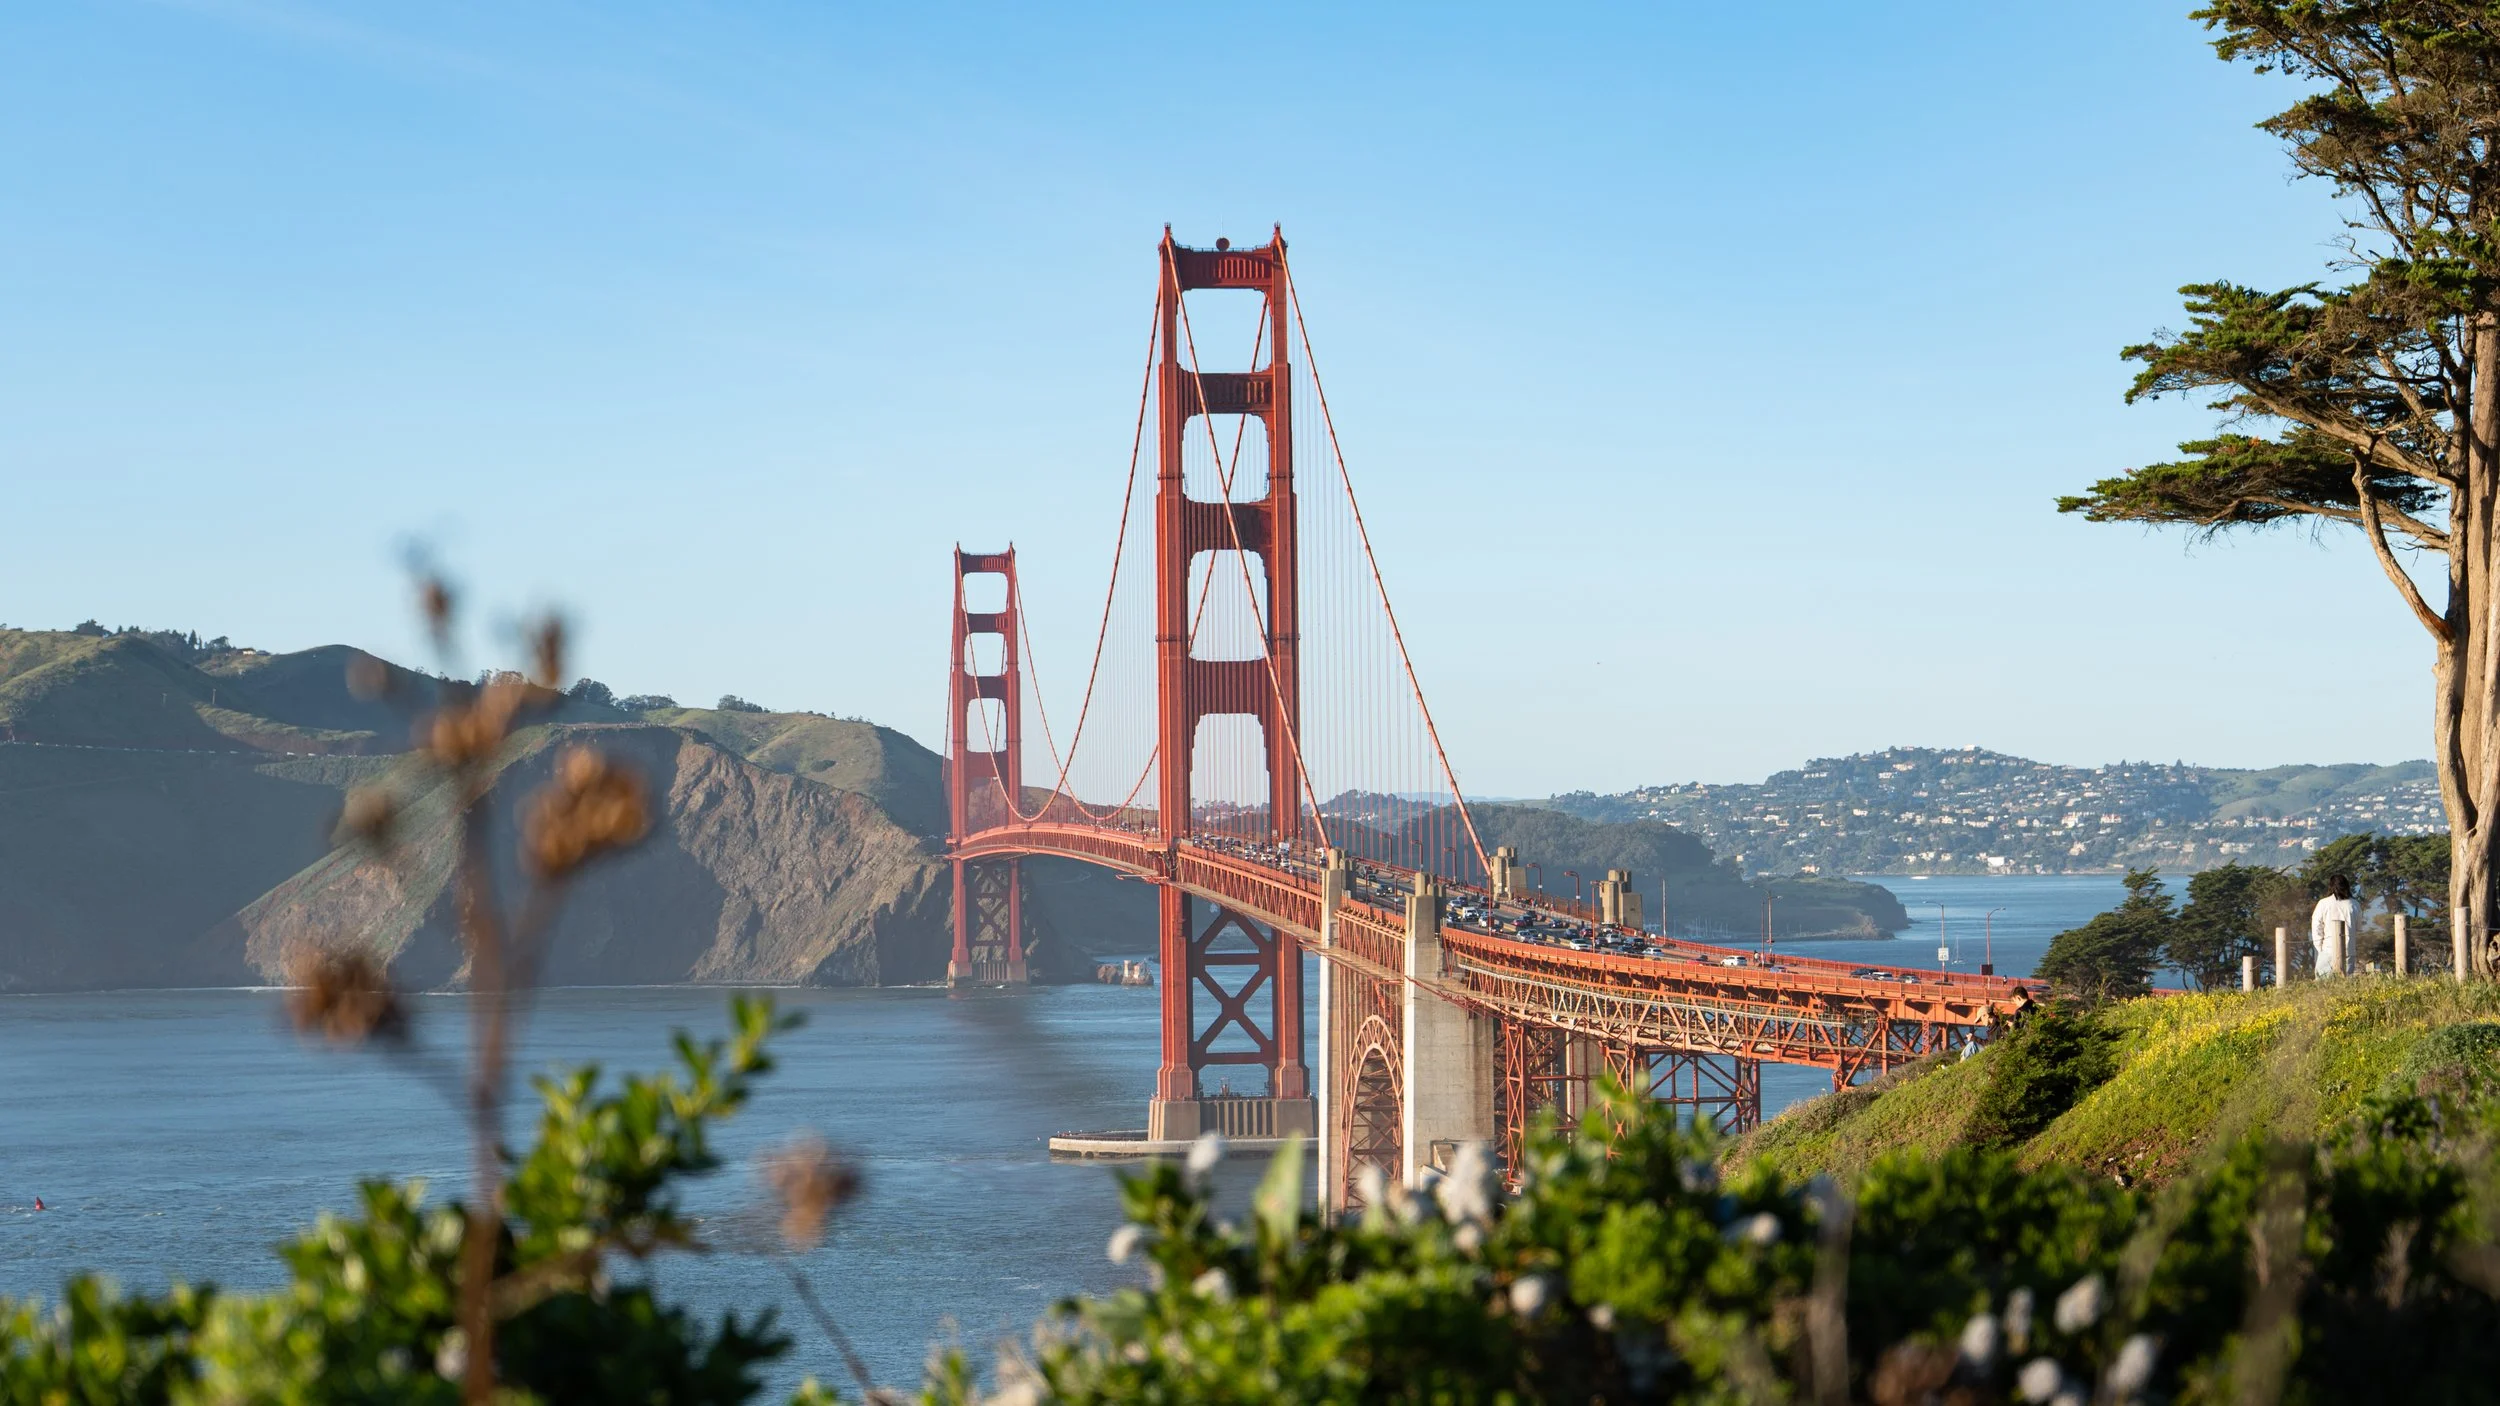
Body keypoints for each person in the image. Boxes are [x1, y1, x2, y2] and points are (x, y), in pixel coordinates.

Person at [2311, 874, 2361, 977]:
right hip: (2349, 950)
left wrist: (2320, 948)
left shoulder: (2323, 903)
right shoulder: (2354, 904)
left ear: (2331, 886)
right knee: (2345, 982)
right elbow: (2358, 927)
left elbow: (2316, 927)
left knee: (2322, 982)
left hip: (2328, 950)